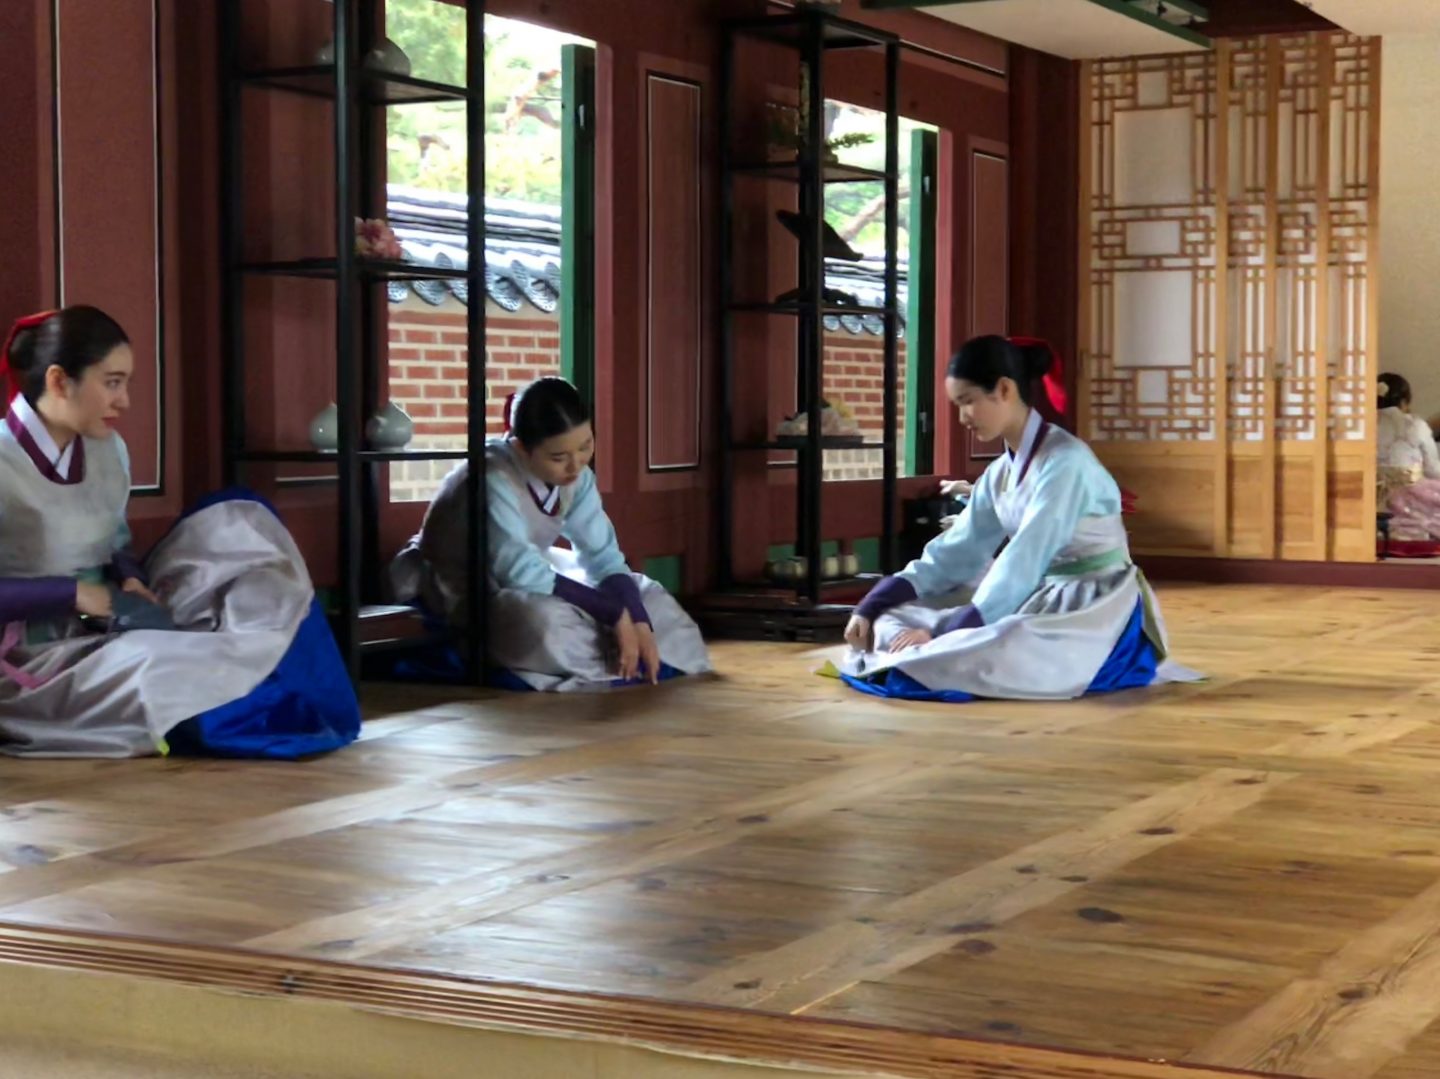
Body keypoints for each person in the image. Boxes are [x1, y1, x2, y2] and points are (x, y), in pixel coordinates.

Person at [0, 306, 359, 758]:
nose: (124, 401)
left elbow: (115, 541)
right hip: (24, 659)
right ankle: (243, 705)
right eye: (112, 382)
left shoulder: (107, 452)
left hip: (106, 618)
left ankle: (269, 687)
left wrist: (129, 575)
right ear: (58, 381)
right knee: (158, 661)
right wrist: (74, 594)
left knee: (245, 540)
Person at [838, 334, 1199, 701]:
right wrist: (873, 603)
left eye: (968, 402)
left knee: (984, 649)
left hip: (1095, 605)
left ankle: (938, 649)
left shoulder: (1065, 462)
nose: (962, 417)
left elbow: (1024, 558)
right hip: (1039, 594)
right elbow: (955, 551)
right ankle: (930, 645)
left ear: (1005, 390)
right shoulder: (999, 473)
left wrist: (946, 631)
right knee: (894, 620)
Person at [390, 376, 711, 691]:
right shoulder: (491, 476)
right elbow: (517, 570)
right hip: (460, 590)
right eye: (559, 457)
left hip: (534, 577)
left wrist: (637, 617)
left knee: (649, 596)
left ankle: (628, 648)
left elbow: (602, 556)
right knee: (540, 624)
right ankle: (620, 655)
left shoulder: (578, 476)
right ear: (521, 447)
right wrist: (612, 613)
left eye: (585, 446)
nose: (576, 465)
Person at [1376, 372, 1440, 541]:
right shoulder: (1415, 424)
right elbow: (1432, 469)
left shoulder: (1362, 424)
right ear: (1404, 401)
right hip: (1410, 492)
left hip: (1372, 491)